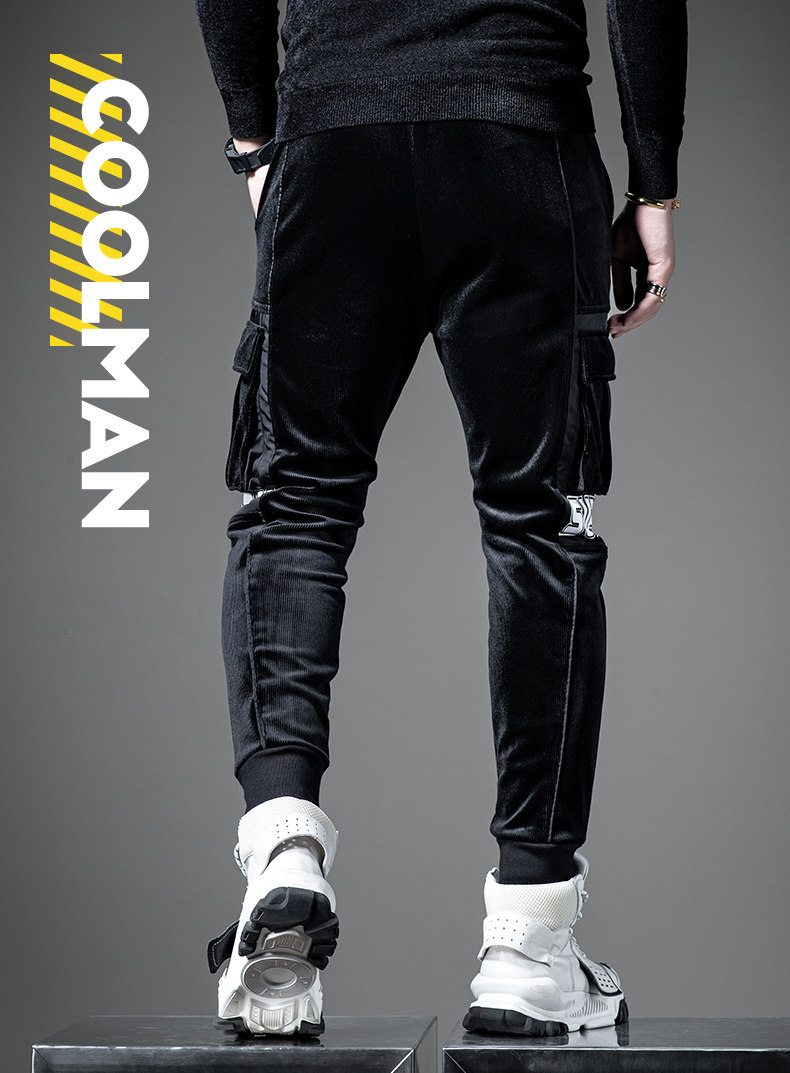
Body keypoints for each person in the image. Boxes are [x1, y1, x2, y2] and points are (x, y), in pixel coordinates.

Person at [194, 0, 687, 1039]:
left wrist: (254, 141)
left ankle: (282, 845)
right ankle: (528, 942)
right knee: (540, 526)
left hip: (333, 133)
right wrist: (652, 181)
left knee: (295, 504)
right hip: (520, 133)